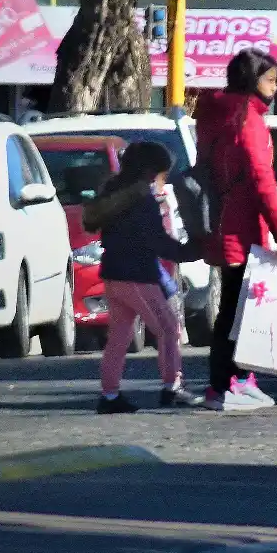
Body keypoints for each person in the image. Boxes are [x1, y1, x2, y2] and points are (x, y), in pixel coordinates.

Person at [194, 48, 277, 411]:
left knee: (237, 309)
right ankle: (226, 385)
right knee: (236, 311)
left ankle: (237, 380)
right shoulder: (246, 120)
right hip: (239, 228)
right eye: (270, 80)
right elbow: (261, 179)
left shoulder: (218, 115)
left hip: (225, 224)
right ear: (252, 80)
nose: (274, 87)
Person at [82, 142, 203, 414]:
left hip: (113, 274)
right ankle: (172, 387)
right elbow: (156, 241)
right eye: (161, 174)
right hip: (137, 275)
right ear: (150, 171)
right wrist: (189, 252)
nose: (161, 181)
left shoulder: (115, 192)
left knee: (119, 336)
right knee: (168, 328)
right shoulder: (141, 200)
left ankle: (109, 395)